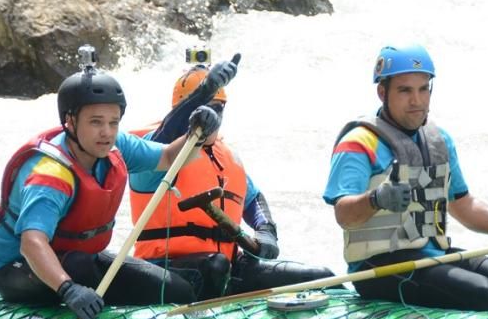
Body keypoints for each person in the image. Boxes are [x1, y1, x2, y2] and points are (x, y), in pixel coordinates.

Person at [0, 49, 222, 319]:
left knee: (178, 291)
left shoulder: (115, 146)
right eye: (96, 122)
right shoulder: (50, 175)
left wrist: (199, 132)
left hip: (81, 260)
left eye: (113, 122)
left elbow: (170, 157)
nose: (107, 132)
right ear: (70, 122)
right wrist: (69, 289)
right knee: (80, 267)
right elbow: (32, 243)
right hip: (19, 270)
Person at [323, 43, 488, 312]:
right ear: (382, 92)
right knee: (480, 292)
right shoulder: (358, 143)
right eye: (405, 90)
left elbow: (464, 206)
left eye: (423, 89)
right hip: (379, 267)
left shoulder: (439, 140)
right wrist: (376, 199)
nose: (416, 101)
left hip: (434, 255)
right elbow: (344, 215)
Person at [128, 54, 334, 300]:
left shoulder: (227, 157)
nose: (213, 117)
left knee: (320, 276)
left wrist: (266, 230)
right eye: (205, 109)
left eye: (218, 108)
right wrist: (204, 93)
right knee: (215, 267)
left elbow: (253, 198)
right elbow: (167, 134)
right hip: (163, 269)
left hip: (226, 267)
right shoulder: (156, 150)